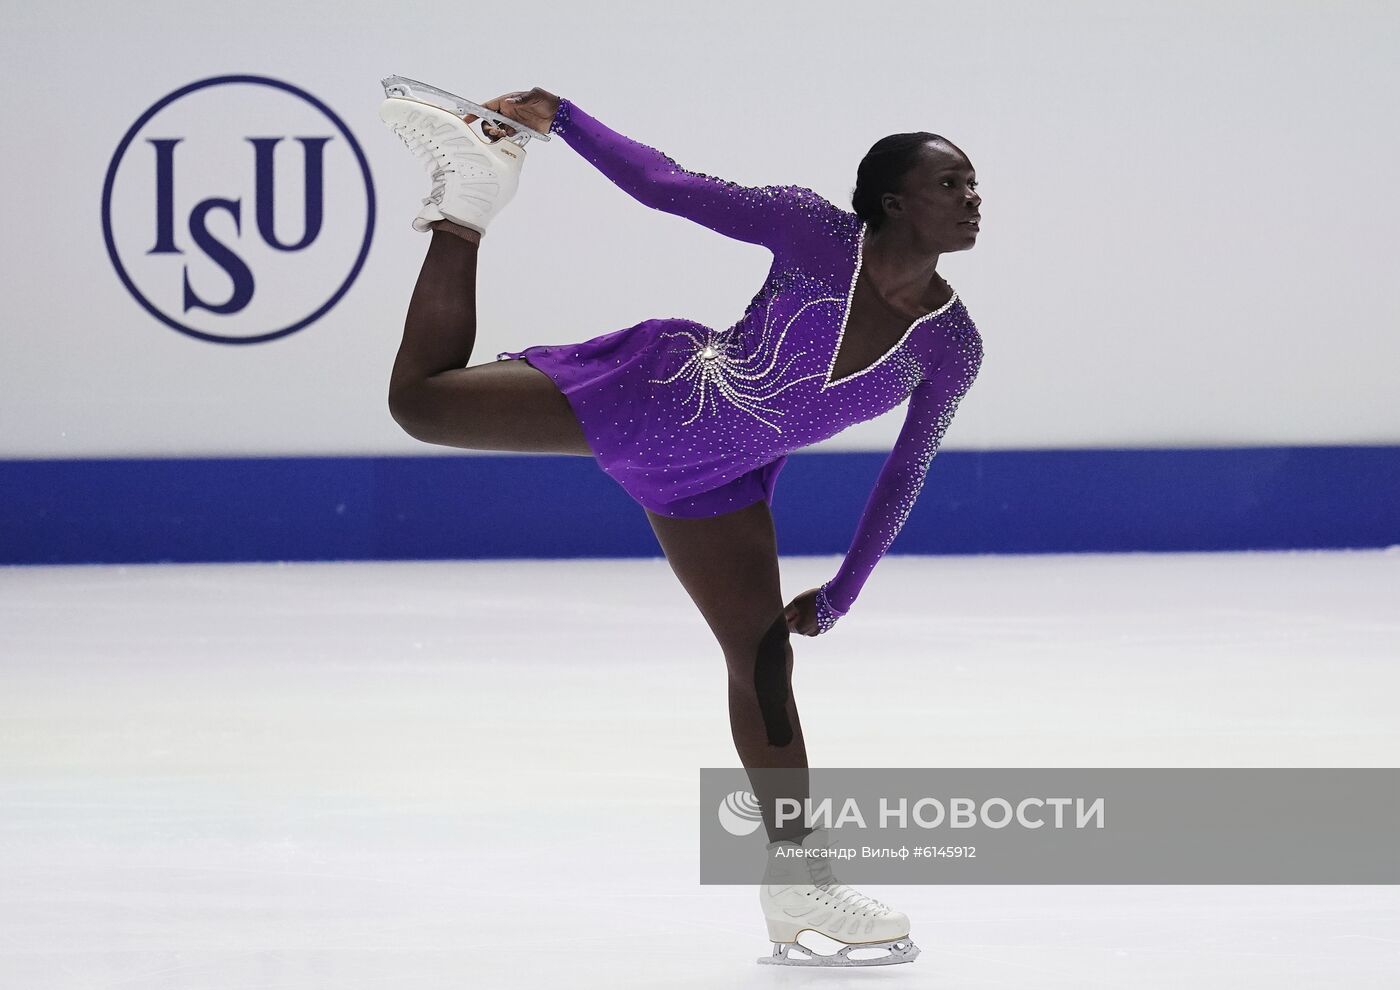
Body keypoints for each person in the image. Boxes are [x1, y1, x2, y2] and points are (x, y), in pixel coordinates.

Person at [378, 82, 984, 967]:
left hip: (718, 483)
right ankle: (468, 198)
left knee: (763, 661)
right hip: (657, 398)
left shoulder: (951, 344)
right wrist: (569, 120)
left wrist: (843, 594)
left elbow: (908, 469)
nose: (972, 199)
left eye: (974, 186)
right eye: (952, 184)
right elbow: (667, 185)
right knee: (420, 406)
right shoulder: (817, 235)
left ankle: (798, 885)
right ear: (895, 202)